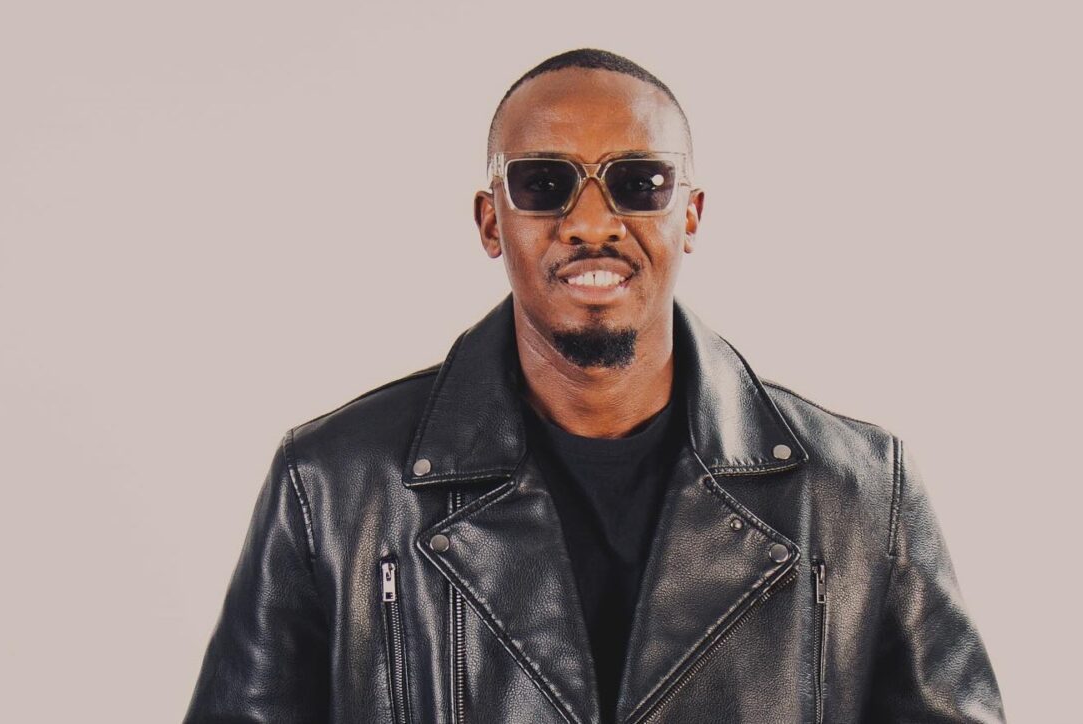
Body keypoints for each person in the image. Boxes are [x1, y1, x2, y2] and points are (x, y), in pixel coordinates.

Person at [185, 48, 1006, 723]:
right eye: (543, 184)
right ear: (490, 219)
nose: (589, 222)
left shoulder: (858, 493)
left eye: (638, 183)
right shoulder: (334, 487)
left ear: (690, 214)